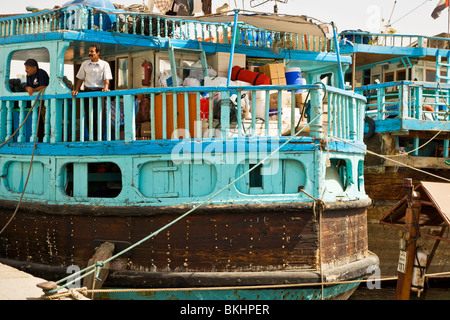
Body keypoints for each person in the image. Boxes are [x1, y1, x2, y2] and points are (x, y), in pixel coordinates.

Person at [72, 44, 113, 140]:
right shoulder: (85, 64)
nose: (90, 53)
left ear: (98, 53)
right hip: (88, 91)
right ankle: (92, 137)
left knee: (100, 116)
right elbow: (80, 78)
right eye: (89, 51)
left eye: (92, 52)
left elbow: (107, 79)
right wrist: (76, 89)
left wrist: (106, 87)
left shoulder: (104, 64)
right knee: (90, 116)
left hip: (100, 92)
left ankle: (100, 138)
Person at [24, 59, 49, 141]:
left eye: (27, 68)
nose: (26, 70)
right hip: (37, 104)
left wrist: (33, 90)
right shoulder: (28, 75)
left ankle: (46, 139)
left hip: (45, 103)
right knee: (39, 123)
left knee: (46, 122)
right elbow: (27, 86)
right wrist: (28, 88)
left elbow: (44, 86)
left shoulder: (41, 73)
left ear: (34, 68)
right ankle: (39, 139)